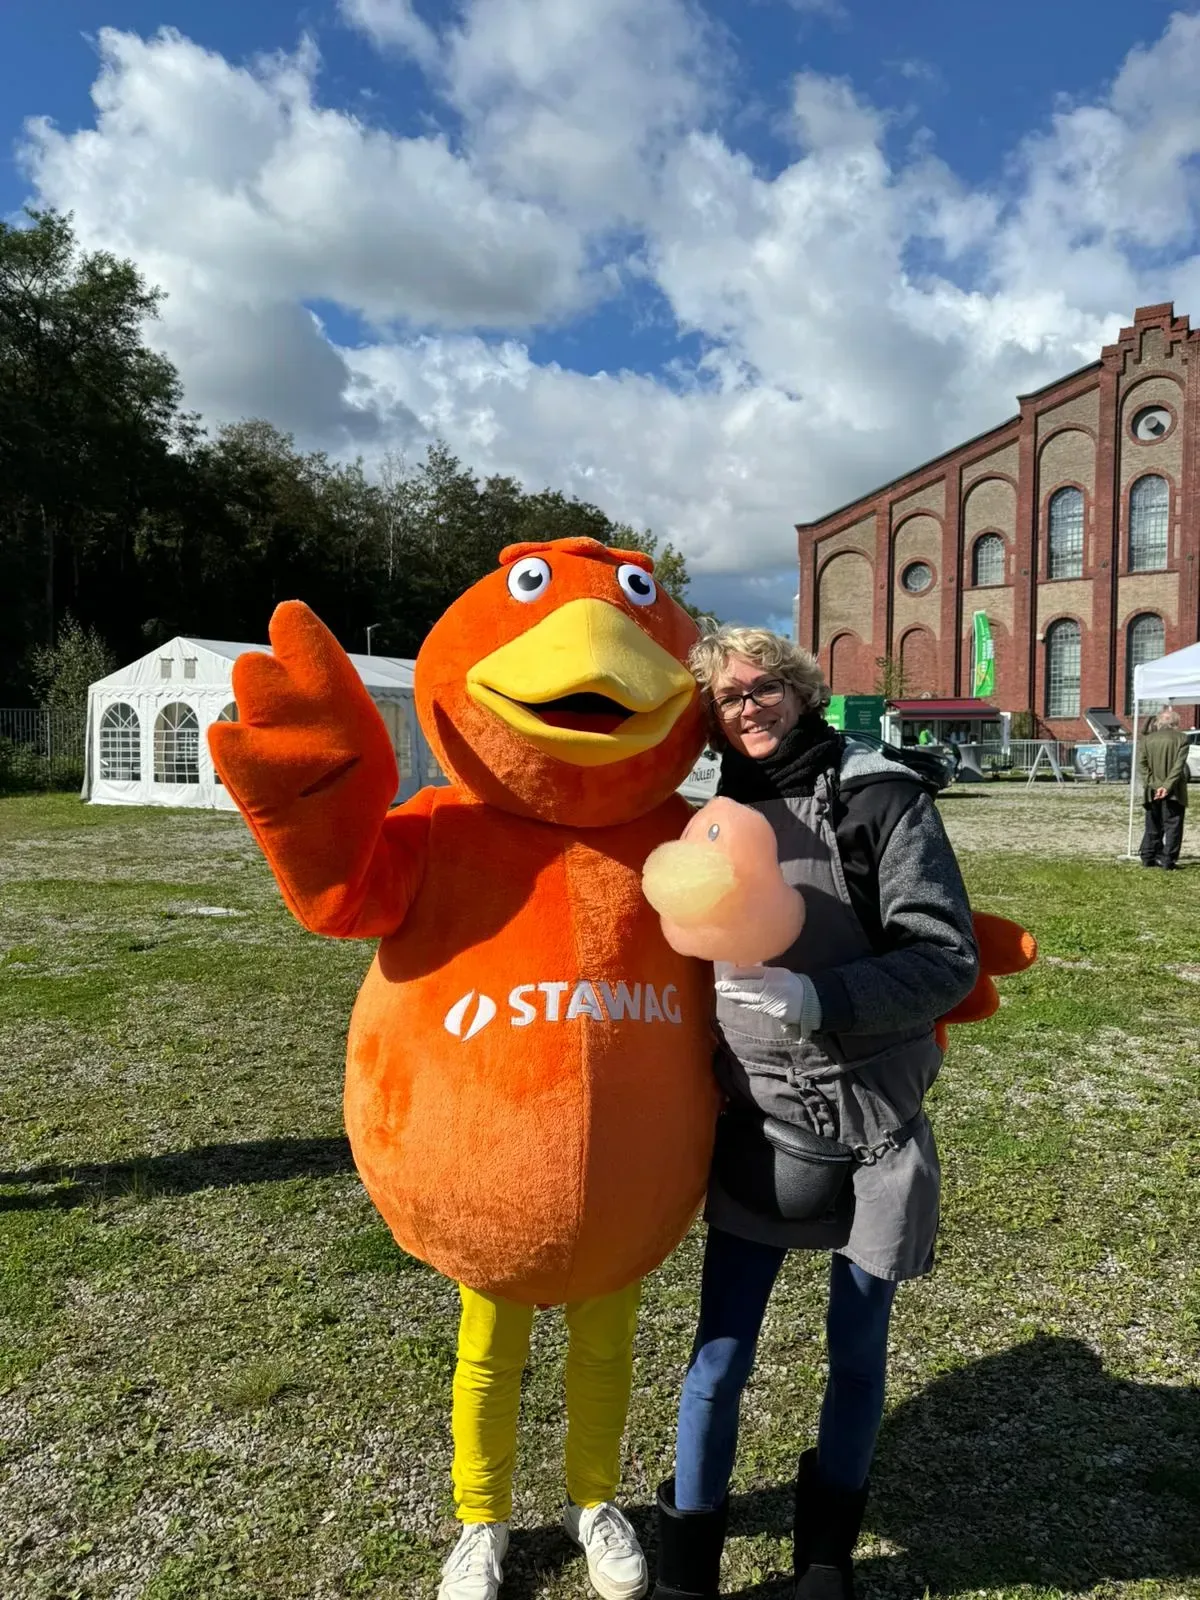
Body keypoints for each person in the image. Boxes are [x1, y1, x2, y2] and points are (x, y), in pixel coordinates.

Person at [652, 627, 979, 1600]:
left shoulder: (882, 798)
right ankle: (686, 1567)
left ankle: (826, 1557)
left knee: (856, 1355)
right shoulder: (715, 814)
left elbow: (945, 958)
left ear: (797, 690)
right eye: (724, 697)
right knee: (718, 1358)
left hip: (873, 1133)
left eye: (760, 688)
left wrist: (823, 1000)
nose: (744, 706)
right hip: (756, 1129)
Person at [1138, 708, 1189, 870]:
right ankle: (1168, 860)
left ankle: (1148, 856)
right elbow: (1178, 767)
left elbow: (1142, 765)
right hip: (1174, 791)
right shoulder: (1182, 738)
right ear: (1175, 723)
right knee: (1172, 825)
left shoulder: (1147, 740)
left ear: (1159, 723)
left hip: (1151, 789)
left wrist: (1154, 785)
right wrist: (1166, 787)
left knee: (1152, 823)